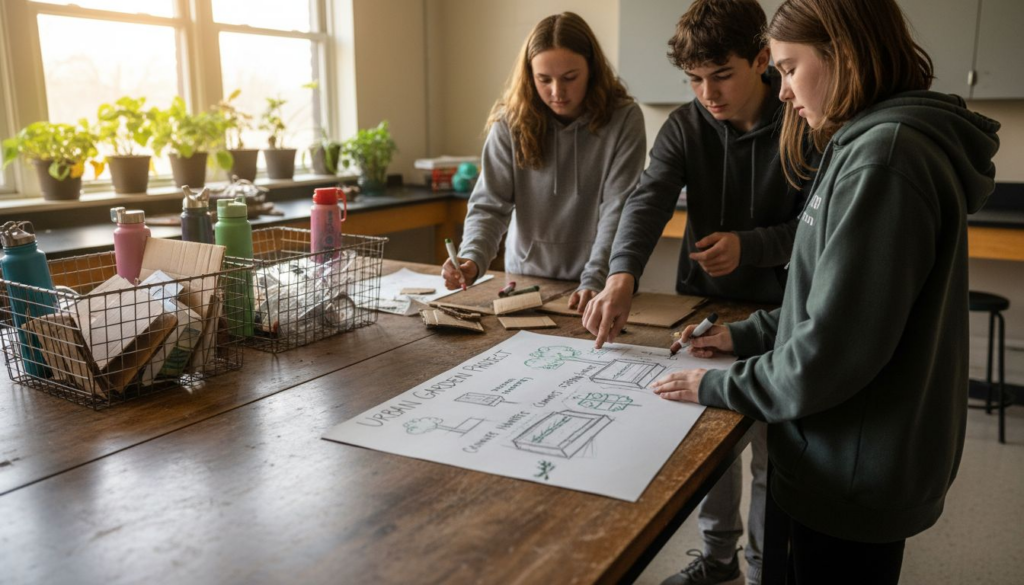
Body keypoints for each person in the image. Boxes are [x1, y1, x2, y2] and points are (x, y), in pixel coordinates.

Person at [650, 0, 1000, 583]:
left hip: (851, 468)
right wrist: (740, 335)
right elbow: (819, 300)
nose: (782, 91)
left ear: (844, 55)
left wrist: (718, 386)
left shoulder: (884, 159)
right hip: (833, 454)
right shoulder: (859, 143)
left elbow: (834, 347)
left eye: (788, 69)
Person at [582, 2, 810, 583]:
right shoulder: (685, 125)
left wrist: (752, 246)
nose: (707, 93)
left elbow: (818, 229)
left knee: (768, 449)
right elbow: (648, 200)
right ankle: (717, 563)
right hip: (703, 310)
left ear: (762, 60)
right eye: (694, 80)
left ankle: (763, 570)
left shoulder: (802, 123)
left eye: (722, 75)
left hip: (779, 313)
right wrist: (621, 275)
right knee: (708, 441)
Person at [441, 12, 646, 314]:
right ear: (529, 74)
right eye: (544, 79)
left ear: (592, 68)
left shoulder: (624, 119)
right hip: (524, 282)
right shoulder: (509, 123)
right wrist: (472, 258)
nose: (557, 92)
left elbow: (618, 208)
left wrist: (596, 278)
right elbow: (489, 205)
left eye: (570, 78)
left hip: (596, 286)